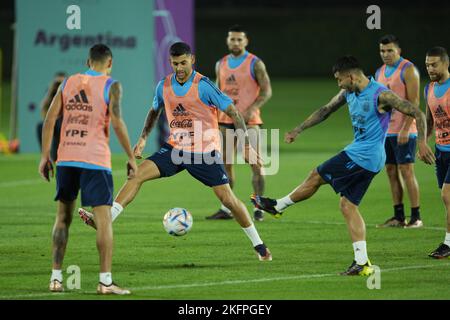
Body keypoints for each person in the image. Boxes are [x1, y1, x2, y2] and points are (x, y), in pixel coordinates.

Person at [78, 42, 272, 262]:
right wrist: (142, 139)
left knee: (228, 199)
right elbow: (154, 112)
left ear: (192, 60)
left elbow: (235, 113)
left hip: (204, 153)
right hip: (175, 149)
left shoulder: (204, 86)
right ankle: (107, 218)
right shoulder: (164, 85)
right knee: (137, 174)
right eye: (175, 63)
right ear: (170, 62)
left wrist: (245, 145)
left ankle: (259, 245)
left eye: (183, 62)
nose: (179, 67)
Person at [251, 55, 434, 275]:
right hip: (368, 159)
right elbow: (325, 110)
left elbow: (416, 111)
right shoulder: (348, 92)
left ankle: (278, 206)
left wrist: (422, 141)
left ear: (351, 76)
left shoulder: (380, 94)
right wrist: (299, 129)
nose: (338, 83)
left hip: (363, 156)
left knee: (317, 174)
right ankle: (362, 262)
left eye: (339, 79)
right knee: (347, 206)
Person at [38, 44, 137, 295]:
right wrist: (130, 156)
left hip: (66, 157)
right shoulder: (111, 85)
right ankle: (105, 282)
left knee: (62, 218)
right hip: (94, 160)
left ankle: (56, 278)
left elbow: (50, 119)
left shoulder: (67, 82)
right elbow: (116, 122)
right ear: (110, 62)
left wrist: (44, 156)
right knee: (103, 220)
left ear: (88, 61)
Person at [206, 25, 272, 221]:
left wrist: (251, 109)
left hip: (250, 121)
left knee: (255, 164)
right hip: (226, 121)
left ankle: (258, 206)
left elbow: (267, 91)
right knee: (225, 166)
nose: (235, 43)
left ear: (246, 41)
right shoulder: (221, 64)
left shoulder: (255, 63)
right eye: (232, 39)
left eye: (239, 39)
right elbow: (217, 92)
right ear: (227, 41)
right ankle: (226, 209)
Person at [374, 35, 423, 228]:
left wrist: (405, 127)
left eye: (389, 50)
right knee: (391, 170)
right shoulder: (380, 72)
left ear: (398, 51)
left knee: (406, 170)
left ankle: (416, 216)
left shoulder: (408, 69)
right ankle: (398, 216)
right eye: (382, 51)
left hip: (405, 131)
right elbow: (381, 103)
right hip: (387, 132)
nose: (385, 54)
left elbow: (414, 102)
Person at [424, 46, 450, 259]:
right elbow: (429, 120)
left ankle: (448, 244)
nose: (430, 68)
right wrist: (422, 142)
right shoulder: (429, 89)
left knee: (447, 195)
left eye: (434, 64)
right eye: (427, 65)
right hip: (441, 152)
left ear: (446, 64)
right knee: (447, 199)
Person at [37, 71, 66, 162]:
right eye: (57, 82)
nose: (59, 85)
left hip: (66, 122)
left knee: (58, 124)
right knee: (41, 126)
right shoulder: (51, 92)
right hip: (54, 121)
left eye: (62, 82)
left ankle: (58, 153)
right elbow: (43, 110)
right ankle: (45, 154)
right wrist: (51, 90)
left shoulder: (70, 91)